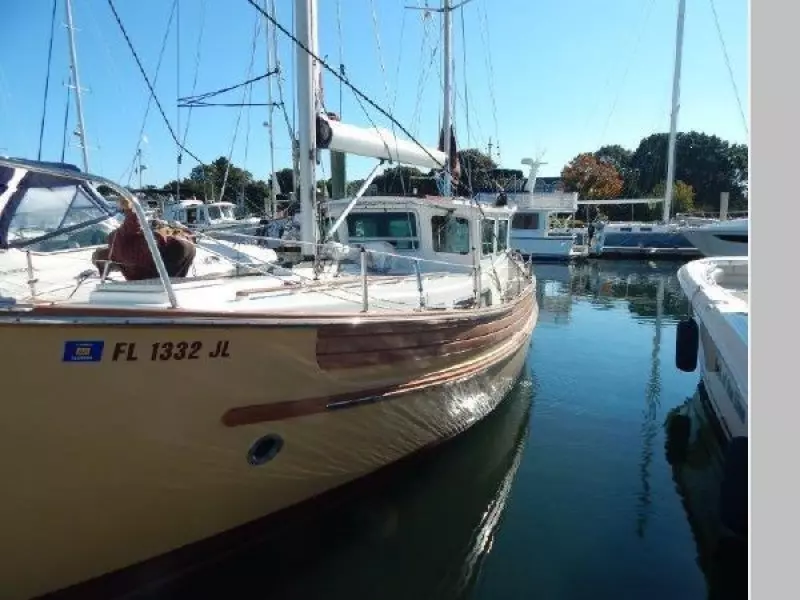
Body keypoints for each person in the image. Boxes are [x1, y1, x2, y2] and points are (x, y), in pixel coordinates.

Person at [92, 197, 196, 281]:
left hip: (171, 250)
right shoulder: (126, 268)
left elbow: (133, 223)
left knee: (168, 282)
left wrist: (129, 209)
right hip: (183, 248)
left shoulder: (116, 243)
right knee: (171, 283)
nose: (113, 270)